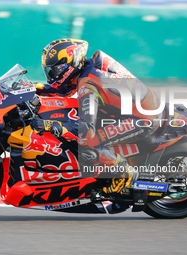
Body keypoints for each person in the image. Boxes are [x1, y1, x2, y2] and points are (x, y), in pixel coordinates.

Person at [31, 39, 163, 195]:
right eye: (49, 71)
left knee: (87, 140)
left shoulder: (89, 84)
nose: (52, 75)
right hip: (130, 110)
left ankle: (124, 173)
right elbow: (65, 87)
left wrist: (51, 125)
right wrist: (35, 88)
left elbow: (87, 130)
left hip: (143, 119)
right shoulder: (87, 67)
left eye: (55, 70)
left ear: (71, 63)